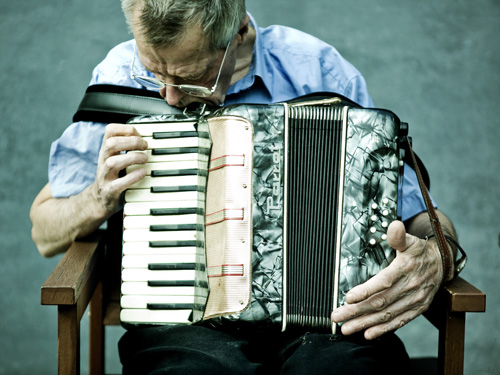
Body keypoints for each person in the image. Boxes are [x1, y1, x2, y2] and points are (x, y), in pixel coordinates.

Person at [30, 0, 460, 373]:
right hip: (184, 323)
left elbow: (424, 219)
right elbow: (43, 229)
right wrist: (98, 198)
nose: (169, 97)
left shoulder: (319, 70)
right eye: (153, 71)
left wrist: (435, 258)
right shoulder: (119, 76)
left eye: (190, 77)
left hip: (328, 322)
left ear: (238, 31)